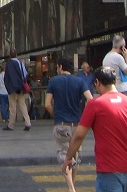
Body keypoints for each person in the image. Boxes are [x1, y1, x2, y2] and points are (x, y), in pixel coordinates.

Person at [61, 66, 127, 191]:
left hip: (109, 169)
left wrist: (68, 158)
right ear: (115, 82)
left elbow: (79, 135)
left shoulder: (95, 104)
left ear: (97, 83)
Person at [45, 57, 92, 189]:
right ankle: (73, 185)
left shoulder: (54, 81)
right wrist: (84, 116)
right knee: (75, 156)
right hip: (77, 125)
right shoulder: (80, 81)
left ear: (60, 67)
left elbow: (47, 104)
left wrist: (56, 115)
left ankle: (71, 188)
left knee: (65, 157)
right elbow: (90, 99)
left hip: (61, 124)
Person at [3, 49, 32, 131]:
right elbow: (25, 74)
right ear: (16, 54)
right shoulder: (20, 63)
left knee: (12, 107)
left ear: (10, 55)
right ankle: (28, 123)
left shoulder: (9, 64)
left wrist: (9, 88)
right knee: (23, 106)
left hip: (13, 90)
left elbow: (7, 78)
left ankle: (11, 125)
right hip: (21, 88)